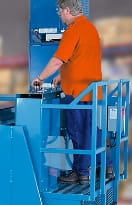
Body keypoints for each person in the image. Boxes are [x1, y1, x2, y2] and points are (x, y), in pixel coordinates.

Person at [30, 0, 111, 184]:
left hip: (77, 94)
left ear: (67, 10)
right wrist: (62, 76)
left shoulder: (73, 30)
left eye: (59, 11)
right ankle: (107, 166)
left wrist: (40, 78)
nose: (59, 15)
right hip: (91, 90)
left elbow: (58, 60)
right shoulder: (90, 28)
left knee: (78, 131)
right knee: (92, 130)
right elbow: (80, 59)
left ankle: (81, 173)